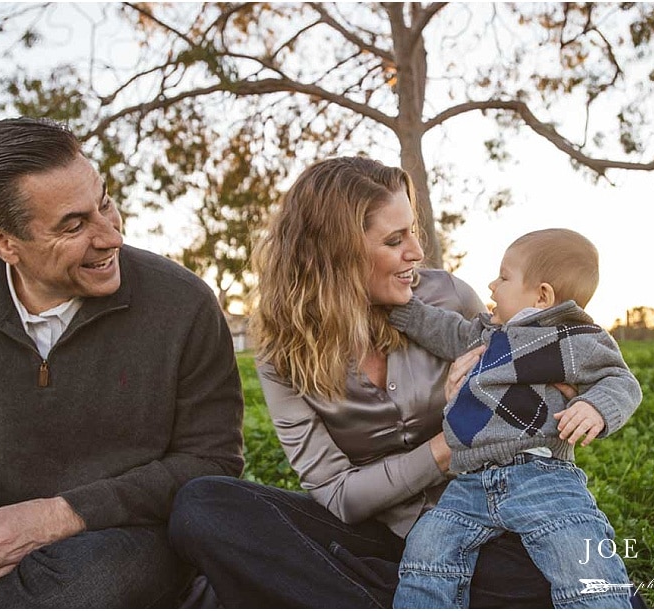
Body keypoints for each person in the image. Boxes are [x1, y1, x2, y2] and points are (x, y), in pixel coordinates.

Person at [169, 156, 558, 608]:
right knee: (203, 507)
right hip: (370, 530)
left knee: (553, 578)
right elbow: (339, 493)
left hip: (479, 521)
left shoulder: (449, 299)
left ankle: (352, 592)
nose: (416, 252)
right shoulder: (282, 350)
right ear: (336, 253)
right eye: (395, 240)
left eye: (412, 231)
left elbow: (542, 391)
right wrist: (448, 446)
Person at [0, 117, 245, 608]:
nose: (111, 237)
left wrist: (57, 515)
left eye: (104, 203)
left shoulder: (183, 303)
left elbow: (212, 462)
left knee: (92, 585)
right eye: (75, 225)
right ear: (2, 241)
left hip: (121, 537)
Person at [389, 228, 641, 608]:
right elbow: (445, 330)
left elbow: (620, 381)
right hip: (470, 481)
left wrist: (596, 407)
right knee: (429, 544)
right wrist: (401, 309)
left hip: (542, 476)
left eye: (504, 277)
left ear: (541, 296)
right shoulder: (489, 336)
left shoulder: (575, 339)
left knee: (576, 550)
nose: (492, 286)